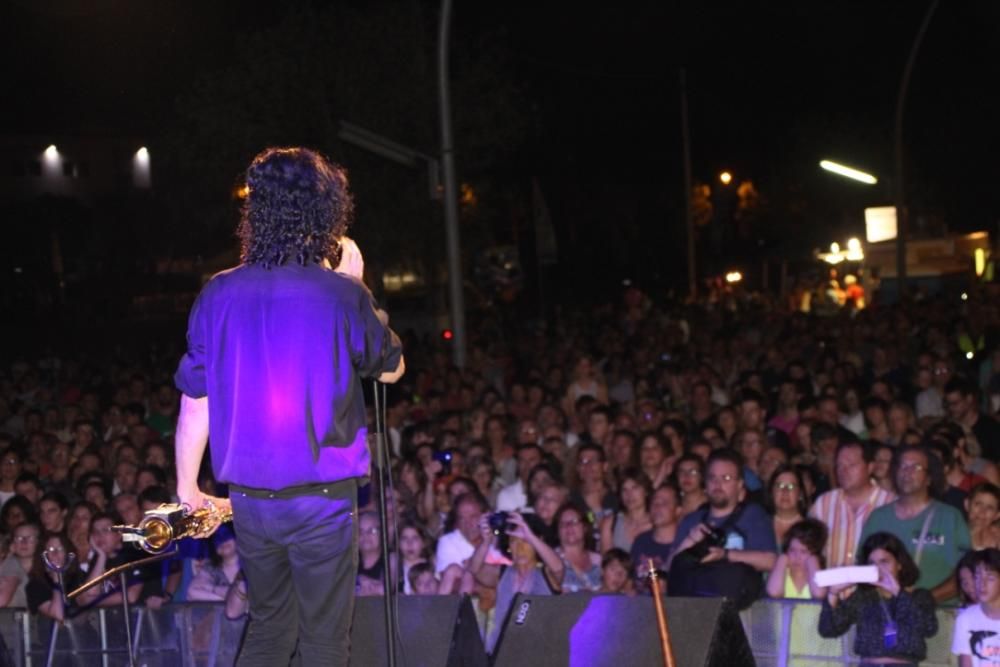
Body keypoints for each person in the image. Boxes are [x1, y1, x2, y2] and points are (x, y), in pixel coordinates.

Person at [173, 147, 405, 666]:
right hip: (323, 498)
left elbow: (196, 399)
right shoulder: (339, 294)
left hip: (253, 500)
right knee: (324, 640)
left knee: (270, 630)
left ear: (258, 212)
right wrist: (358, 285)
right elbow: (391, 368)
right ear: (326, 210)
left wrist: (188, 488)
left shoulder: (219, 292)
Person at [860, 445, 971, 602]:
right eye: (902, 466)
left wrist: (922, 601)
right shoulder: (878, 518)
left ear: (929, 478)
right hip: (888, 616)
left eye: (916, 467)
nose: (907, 472)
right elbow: (863, 568)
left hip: (939, 614)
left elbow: (965, 573)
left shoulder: (949, 517)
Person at [819, 532, 938, 666]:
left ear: (899, 564)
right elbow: (828, 630)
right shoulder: (863, 596)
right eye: (872, 563)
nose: (878, 568)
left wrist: (898, 592)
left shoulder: (919, 596)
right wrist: (833, 594)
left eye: (884, 562)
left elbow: (929, 628)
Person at [809, 441, 896, 568]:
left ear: (870, 467)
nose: (843, 471)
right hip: (831, 586)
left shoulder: (890, 503)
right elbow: (809, 548)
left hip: (873, 586)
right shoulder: (823, 503)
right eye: (839, 465)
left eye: (851, 465)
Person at [952, 548, 1000, 666]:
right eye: (978, 576)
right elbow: (966, 662)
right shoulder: (965, 619)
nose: (982, 584)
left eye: (990, 578)